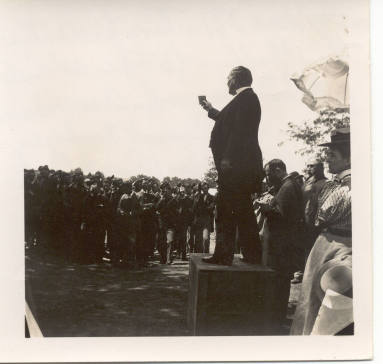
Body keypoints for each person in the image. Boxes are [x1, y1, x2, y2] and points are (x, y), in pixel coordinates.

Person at [291, 127, 352, 335]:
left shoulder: (342, 187)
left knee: (313, 300)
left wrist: (314, 196)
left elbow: (319, 217)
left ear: (349, 159)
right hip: (338, 243)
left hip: (332, 244)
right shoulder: (341, 184)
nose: (327, 159)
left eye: (332, 155)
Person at [200, 66, 264, 265]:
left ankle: (223, 255)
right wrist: (209, 109)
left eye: (228, 78)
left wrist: (227, 158)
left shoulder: (247, 99)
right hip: (239, 167)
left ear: (236, 79)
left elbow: (239, 132)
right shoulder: (245, 99)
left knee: (226, 211)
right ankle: (252, 254)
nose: (227, 82)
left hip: (235, 167)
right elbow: (227, 121)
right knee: (243, 210)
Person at [257, 159, 305, 325]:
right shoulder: (288, 185)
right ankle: (277, 317)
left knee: (279, 283)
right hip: (284, 244)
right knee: (281, 283)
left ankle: (275, 320)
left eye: (269, 174)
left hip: (281, 245)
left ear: (278, 170)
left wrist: (265, 209)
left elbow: (282, 216)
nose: (268, 179)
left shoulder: (287, 187)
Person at [192, 182, 215, 253]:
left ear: (208, 188)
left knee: (206, 239)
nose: (205, 189)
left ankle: (206, 254)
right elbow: (194, 208)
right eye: (203, 188)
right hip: (199, 219)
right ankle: (198, 255)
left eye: (206, 188)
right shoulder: (198, 197)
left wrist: (202, 208)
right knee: (198, 239)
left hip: (207, 219)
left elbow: (211, 208)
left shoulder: (212, 197)